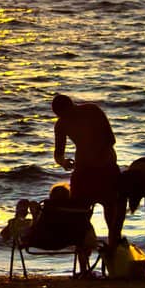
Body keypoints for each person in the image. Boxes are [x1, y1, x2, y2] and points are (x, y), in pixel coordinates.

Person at [50, 93, 124, 247]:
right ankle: (84, 264)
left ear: (72, 106)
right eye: (62, 116)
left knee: (112, 215)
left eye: (67, 114)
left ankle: (113, 251)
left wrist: (97, 155)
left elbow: (111, 139)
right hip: (83, 171)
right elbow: (58, 154)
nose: (66, 118)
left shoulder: (92, 110)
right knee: (79, 219)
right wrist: (64, 162)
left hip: (106, 168)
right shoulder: (61, 124)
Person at [5, 183, 100, 273]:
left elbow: (36, 229)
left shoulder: (48, 209)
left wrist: (35, 214)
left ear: (51, 197)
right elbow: (84, 231)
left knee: (16, 224)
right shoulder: (79, 212)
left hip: (41, 241)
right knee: (83, 236)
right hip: (70, 239)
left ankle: (19, 216)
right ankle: (83, 270)